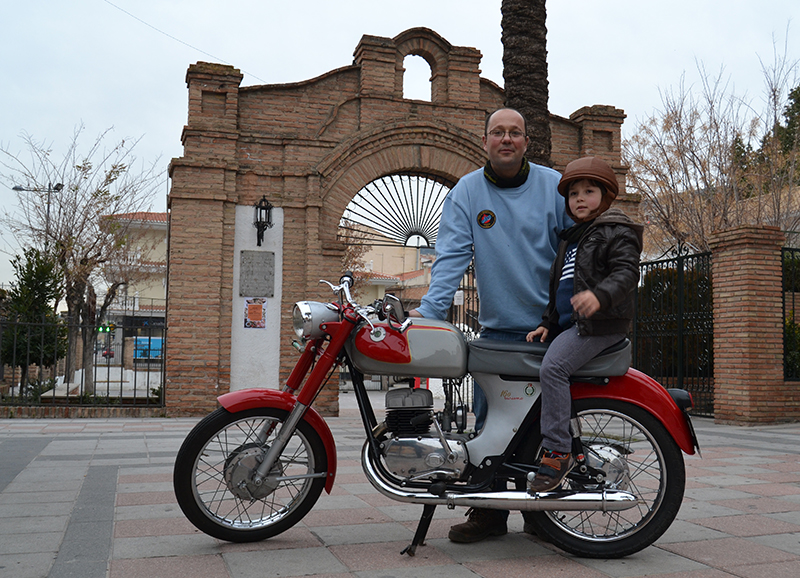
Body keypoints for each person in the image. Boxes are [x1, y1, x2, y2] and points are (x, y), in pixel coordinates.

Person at [409, 107, 572, 543]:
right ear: (485, 141)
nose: (506, 139)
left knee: (549, 424)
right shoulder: (466, 191)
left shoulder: (554, 187)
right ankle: (489, 514)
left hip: (551, 329)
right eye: (497, 132)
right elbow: (452, 258)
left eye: (514, 133)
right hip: (499, 332)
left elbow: (579, 245)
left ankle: (544, 513)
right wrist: (429, 312)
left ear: (525, 142)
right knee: (490, 424)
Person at [525, 156, 643, 492]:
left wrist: (600, 297)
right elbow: (560, 287)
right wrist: (549, 322)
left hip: (600, 325)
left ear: (606, 197)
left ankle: (558, 451)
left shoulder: (616, 231)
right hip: (573, 325)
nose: (579, 198)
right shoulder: (571, 238)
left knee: (554, 368)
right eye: (573, 193)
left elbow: (626, 273)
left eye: (589, 191)